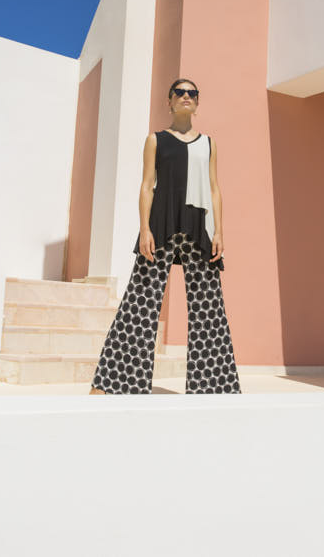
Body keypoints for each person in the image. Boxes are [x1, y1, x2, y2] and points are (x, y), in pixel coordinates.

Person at [88, 78, 242, 394]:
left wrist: (219, 231)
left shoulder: (209, 144)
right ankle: (115, 382)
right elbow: (147, 185)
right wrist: (145, 228)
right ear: (169, 101)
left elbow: (215, 189)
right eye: (180, 92)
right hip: (161, 224)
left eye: (192, 93)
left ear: (197, 103)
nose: (186, 96)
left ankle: (215, 387)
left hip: (199, 225)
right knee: (140, 303)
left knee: (208, 306)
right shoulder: (155, 140)